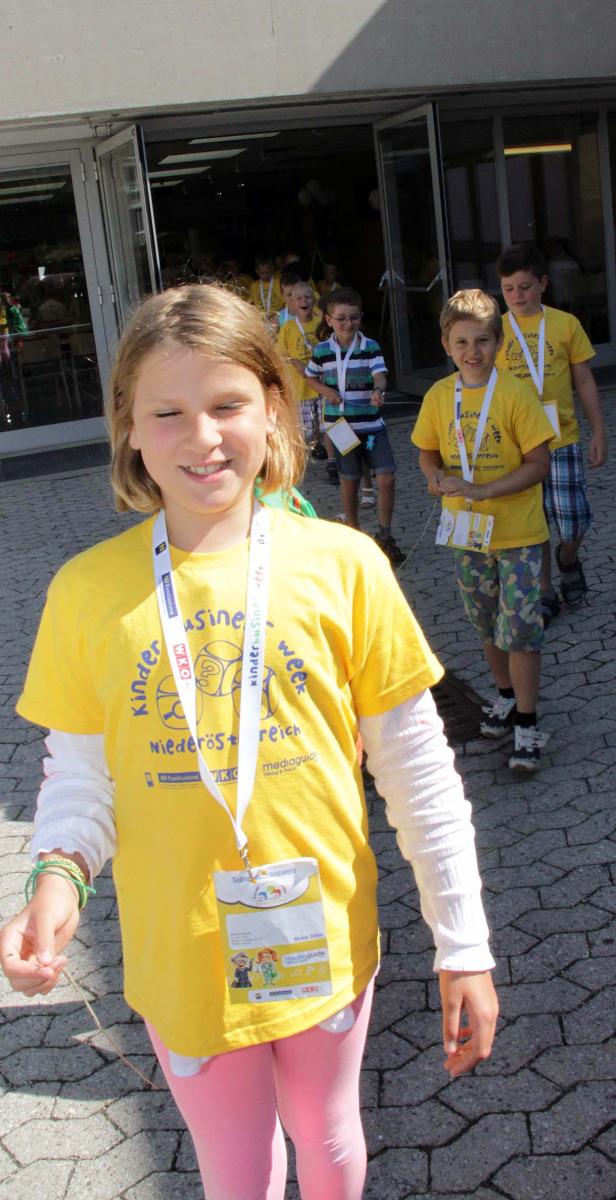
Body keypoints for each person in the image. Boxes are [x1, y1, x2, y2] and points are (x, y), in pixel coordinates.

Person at [0, 284, 497, 1200]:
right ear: (129, 428)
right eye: (169, 413)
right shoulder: (85, 592)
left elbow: (419, 773)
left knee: (330, 1135)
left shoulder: (344, 566)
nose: (202, 437)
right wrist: (57, 878)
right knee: (234, 1171)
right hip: (179, 952)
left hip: (322, 937)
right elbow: (78, 777)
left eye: (228, 404)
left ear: (275, 408)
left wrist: (462, 943)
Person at [412, 289, 554, 773]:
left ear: (498, 343)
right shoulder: (437, 396)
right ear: (447, 345)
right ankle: (506, 698)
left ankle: (530, 724)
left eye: (483, 341)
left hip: (517, 533)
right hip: (467, 534)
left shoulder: (515, 394)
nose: (473, 351)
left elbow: (539, 463)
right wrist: (433, 476)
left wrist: (485, 489)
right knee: (486, 623)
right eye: (462, 342)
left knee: (520, 631)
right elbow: (427, 451)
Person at [495, 243, 607, 624]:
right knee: (534, 520)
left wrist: (599, 431)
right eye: (508, 289)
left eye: (524, 287)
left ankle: (569, 557)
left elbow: (584, 379)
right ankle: (544, 592)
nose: (517, 296)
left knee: (572, 518)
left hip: (561, 439)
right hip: (518, 446)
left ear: (542, 284)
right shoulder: (494, 330)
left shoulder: (565, 324)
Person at [305, 287, 405, 564]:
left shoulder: (370, 346)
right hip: (340, 427)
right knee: (349, 481)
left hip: (371, 425)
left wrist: (378, 390)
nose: (348, 324)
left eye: (354, 318)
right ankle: (355, 533)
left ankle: (385, 536)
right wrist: (327, 392)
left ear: (361, 317)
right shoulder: (323, 350)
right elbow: (309, 377)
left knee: (386, 477)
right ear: (328, 320)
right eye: (341, 319)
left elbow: (380, 375)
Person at [277, 282, 325, 457]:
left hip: (323, 385)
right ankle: (304, 456)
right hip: (301, 388)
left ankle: (333, 463)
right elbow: (280, 354)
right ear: (292, 303)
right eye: (299, 298)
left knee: (329, 425)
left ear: (313, 300)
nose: (303, 301)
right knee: (307, 431)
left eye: (307, 297)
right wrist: (296, 363)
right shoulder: (288, 328)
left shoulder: (321, 323)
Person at [248, 253, 284, 324]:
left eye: (268, 272)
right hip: (261, 320)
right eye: (262, 273)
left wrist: (276, 315)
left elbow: (285, 303)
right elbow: (251, 304)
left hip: (277, 319)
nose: (265, 276)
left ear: (273, 269)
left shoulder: (279, 282)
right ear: (257, 271)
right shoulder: (254, 285)